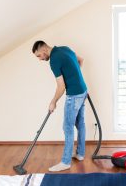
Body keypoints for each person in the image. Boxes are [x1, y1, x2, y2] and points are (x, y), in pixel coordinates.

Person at [32, 40, 87, 172]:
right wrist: (75, 76)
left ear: (44, 50)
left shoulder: (54, 60)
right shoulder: (65, 48)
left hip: (74, 95)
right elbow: (81, 60)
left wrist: (53, 102)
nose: (40, 59)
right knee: (80, 124)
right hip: (83, 90)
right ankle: (80, 154)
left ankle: (66, 161)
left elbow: (61, 87)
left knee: (67, 127)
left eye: (39, 56)